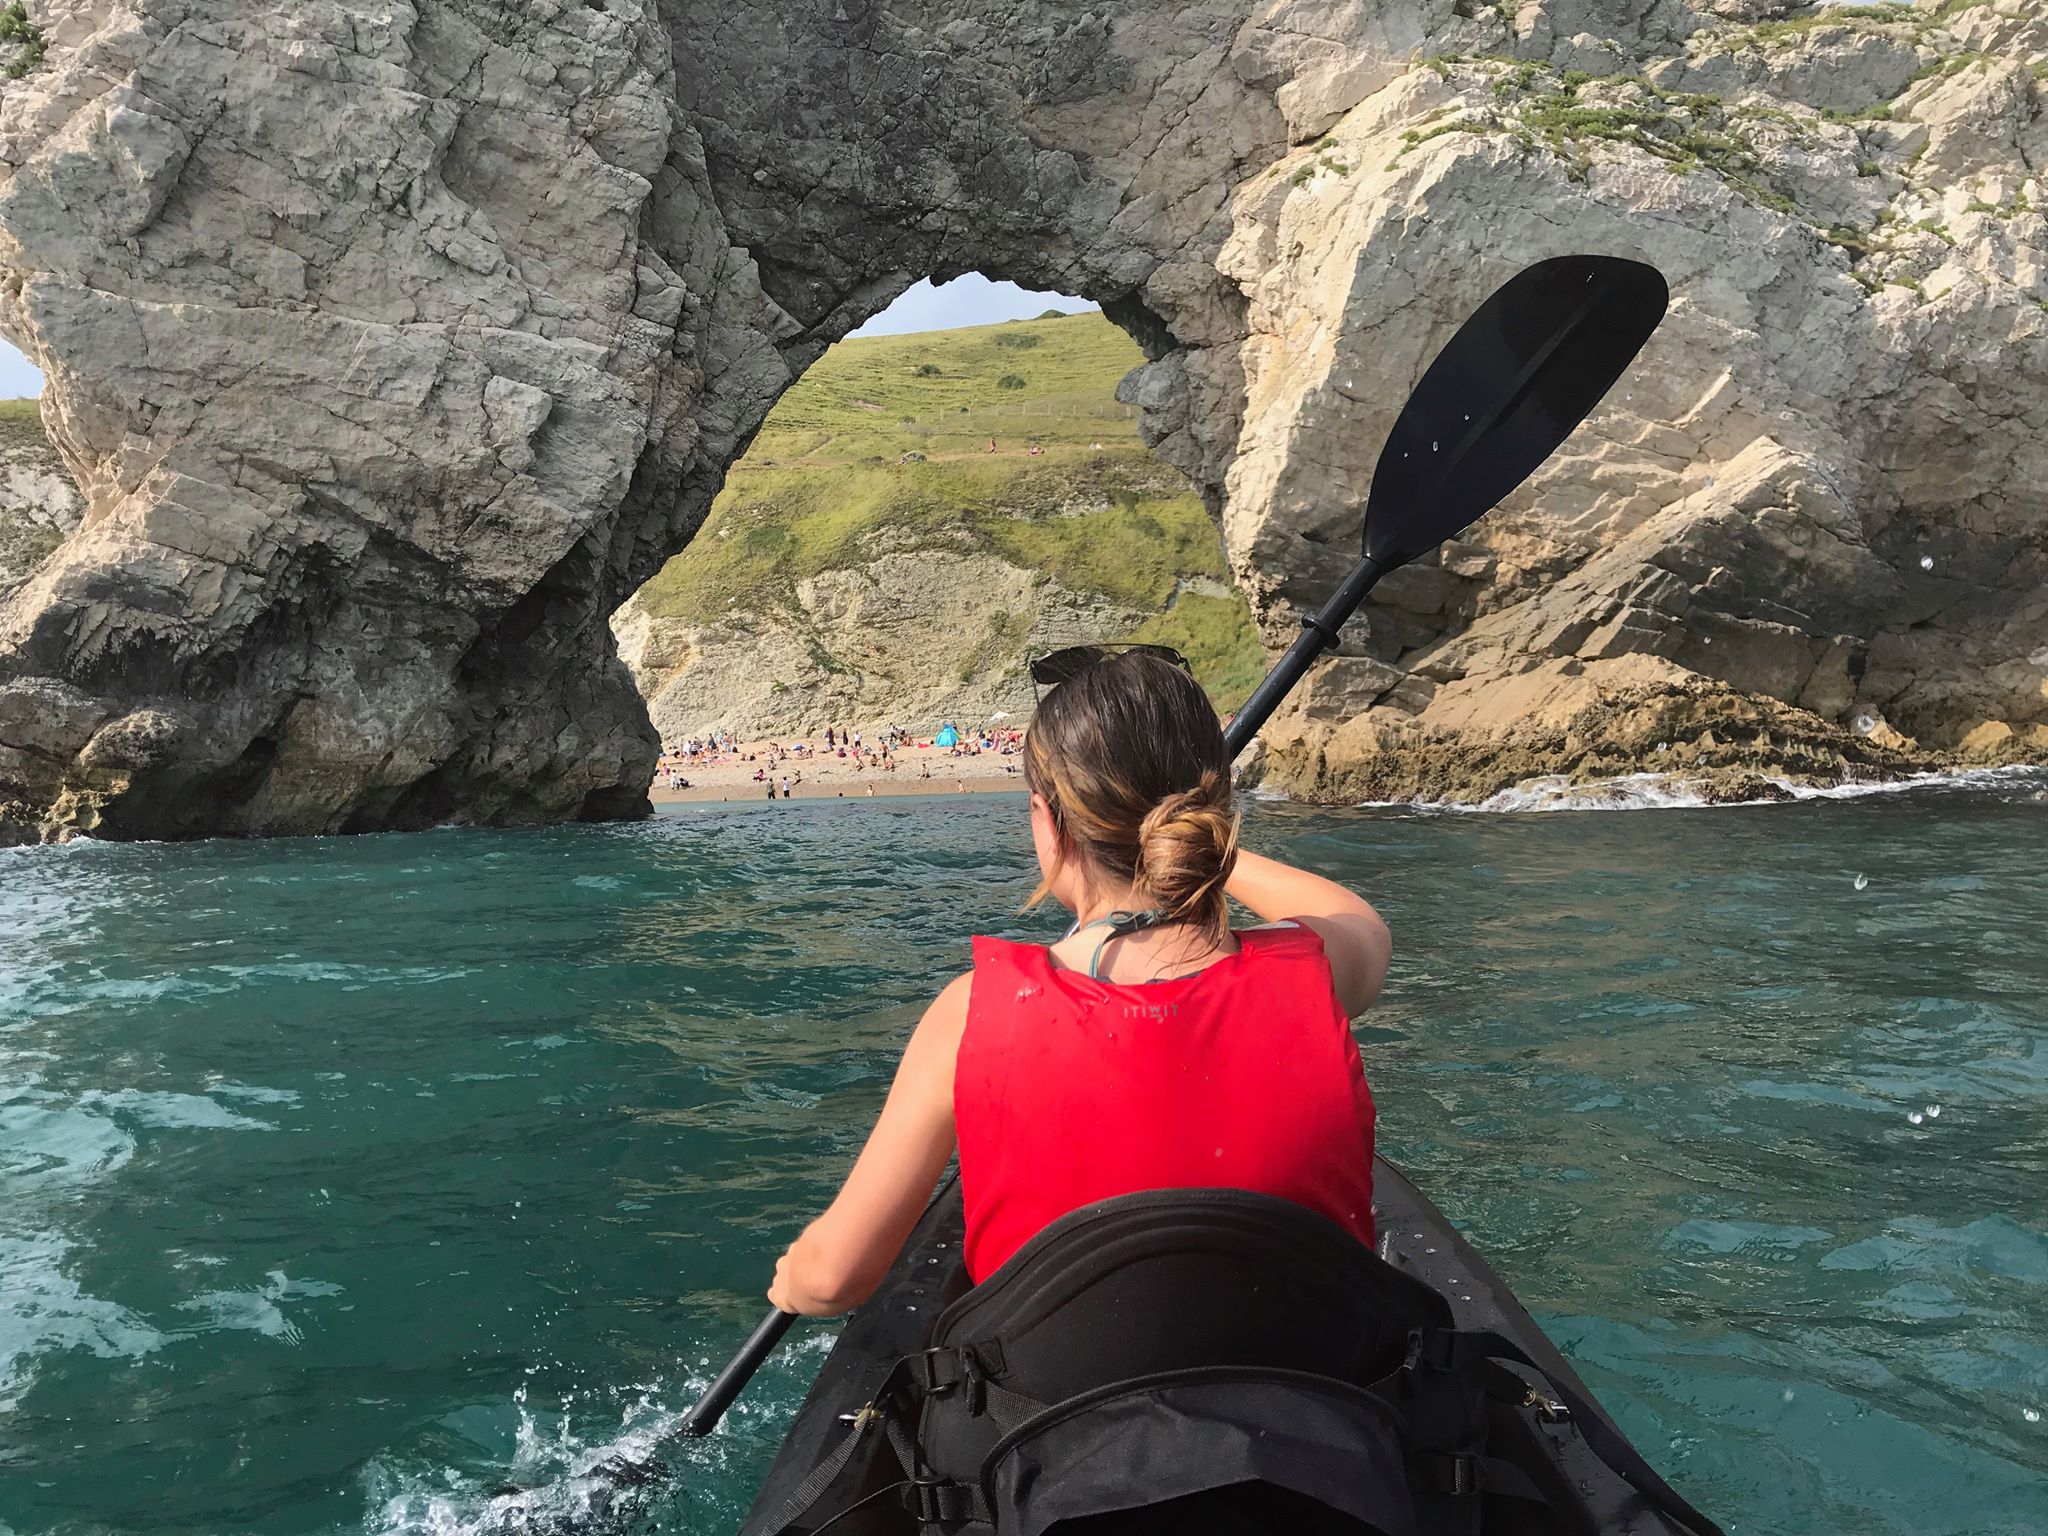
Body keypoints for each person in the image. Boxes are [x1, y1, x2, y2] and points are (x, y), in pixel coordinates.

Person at [768, 649, 1390, 1315]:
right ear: (1213, 810)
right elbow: (1353, 915)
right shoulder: (1316, 970)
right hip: (1315, 1390)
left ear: (1048, 821)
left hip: (1054, 1405)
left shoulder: (971, 1015)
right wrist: (1194, 842)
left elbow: (834, 1281)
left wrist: (792, 1277)